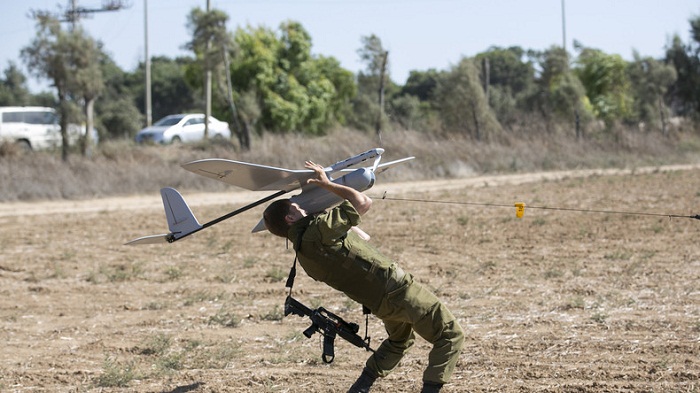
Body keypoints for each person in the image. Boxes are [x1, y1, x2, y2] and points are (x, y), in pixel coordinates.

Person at [263, 161, 465, 393]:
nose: (302, 208)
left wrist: (321, 212)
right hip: (398, 289)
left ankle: (360, 388)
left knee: (399, 342)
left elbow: (361, 238)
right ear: (289, 219)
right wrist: (328, 185)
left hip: (380, 304)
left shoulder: (305, 256)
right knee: (450, 335)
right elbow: (363, 202)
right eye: (297, 208)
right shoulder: (318, 232)